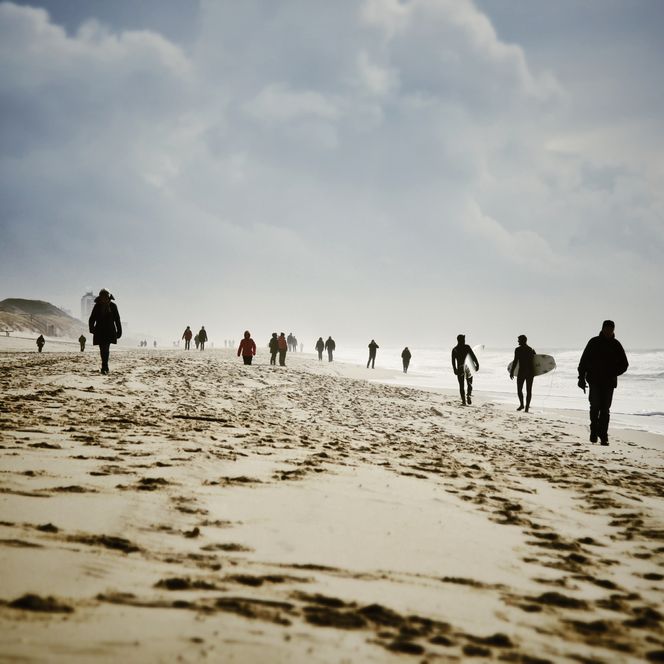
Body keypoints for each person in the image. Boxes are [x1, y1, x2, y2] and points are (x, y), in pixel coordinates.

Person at [577, 320, 628, 446]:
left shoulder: (616, 344)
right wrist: (581, 378)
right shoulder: (593, 342)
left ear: (614, 330)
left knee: (605, 410)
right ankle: (594, 431)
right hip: (594, 381)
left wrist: (613, 372)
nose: (609, 332)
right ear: (603, 329)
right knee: (594, 407)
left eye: (611, 329)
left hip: (609, 383)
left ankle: (603, 436)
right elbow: (583, 362)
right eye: (607, 329)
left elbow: (625, 364)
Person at [88, 288, 122, 374]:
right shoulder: (97, 306)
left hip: (109, 331)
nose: (104, 299)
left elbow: (117, 319)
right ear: (100, 298)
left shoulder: (113, 306)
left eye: (105, 297)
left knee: (105, 348)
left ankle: (105, 366)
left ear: (108, 297)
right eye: (102, 297)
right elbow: (92, 318)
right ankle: (105, 365)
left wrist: (119, 331)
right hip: (99, 331)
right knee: (103, 349)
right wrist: (91, 328)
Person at [510, 335, 536, 412]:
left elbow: (515, 361)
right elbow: (534, 361)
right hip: (530, 372)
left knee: (519, 389)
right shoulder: (530, 349)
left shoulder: (518, 350)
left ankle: (522, 405)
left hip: (522, 371)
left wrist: (512, 371)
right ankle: (526, 407)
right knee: (529, 390)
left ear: (522, 340)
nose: (518, 341)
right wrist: (534, 354)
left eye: (519, 340)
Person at [451, 334, 479, 405]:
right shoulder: (466, 347)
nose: (464, 341)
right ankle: (468, 396)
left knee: (462, 385)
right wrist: (477, 364)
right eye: (463, 340)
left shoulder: (455, 349)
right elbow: (473, 356)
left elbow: (453, 362)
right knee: (469, 383)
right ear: (460, 340)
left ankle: (464, 401)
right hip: (468, 367)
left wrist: (455, 369)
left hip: (461, 368)